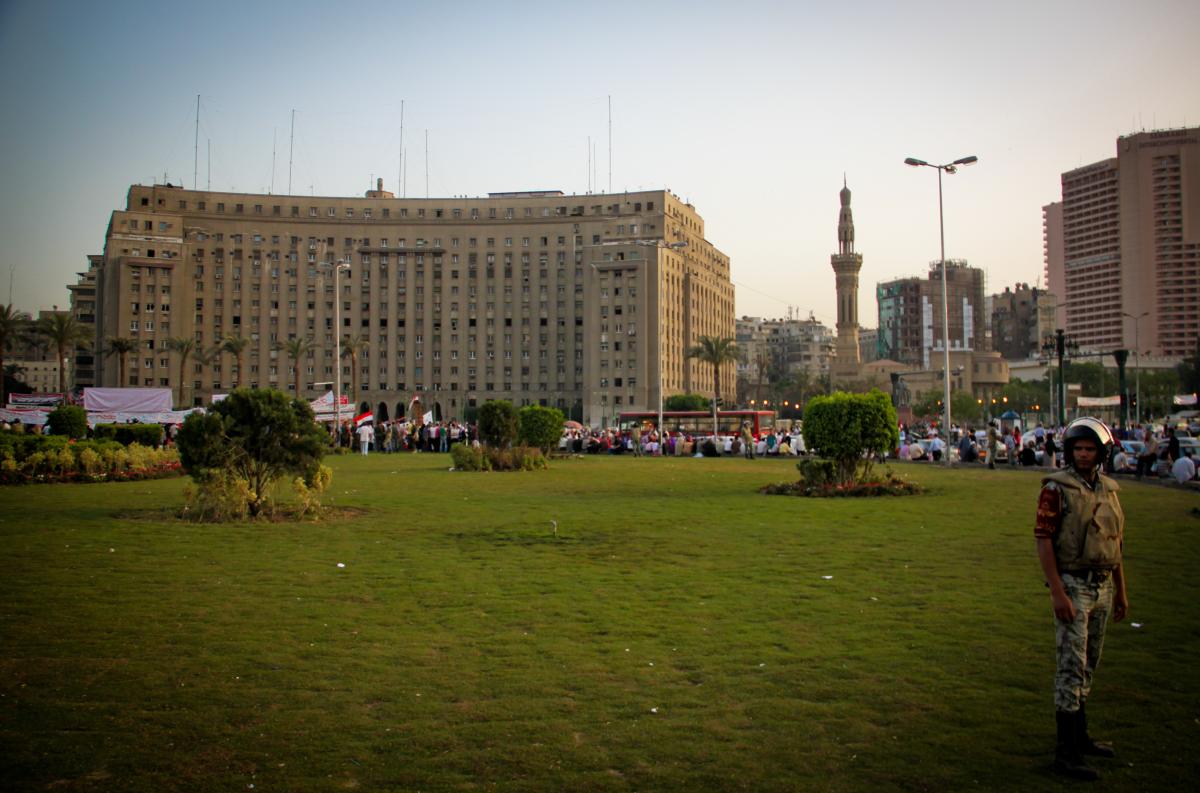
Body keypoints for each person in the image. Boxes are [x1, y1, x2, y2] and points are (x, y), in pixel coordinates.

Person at [1033, 417, 1128, 780]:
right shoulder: (1056, 490)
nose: (1084, 455)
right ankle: (1066, 753)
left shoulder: (1108, 490)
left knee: (1088, 663)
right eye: (1078, 449)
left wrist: (1121, 590)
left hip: (1103, 583)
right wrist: (1057, 590)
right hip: (1073, 584)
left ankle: (1081, 737)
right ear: (1069, 452)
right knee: (1071, 666)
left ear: (1102, 452)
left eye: (1090, 449)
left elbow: (1116, 542)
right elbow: (1044, 540)